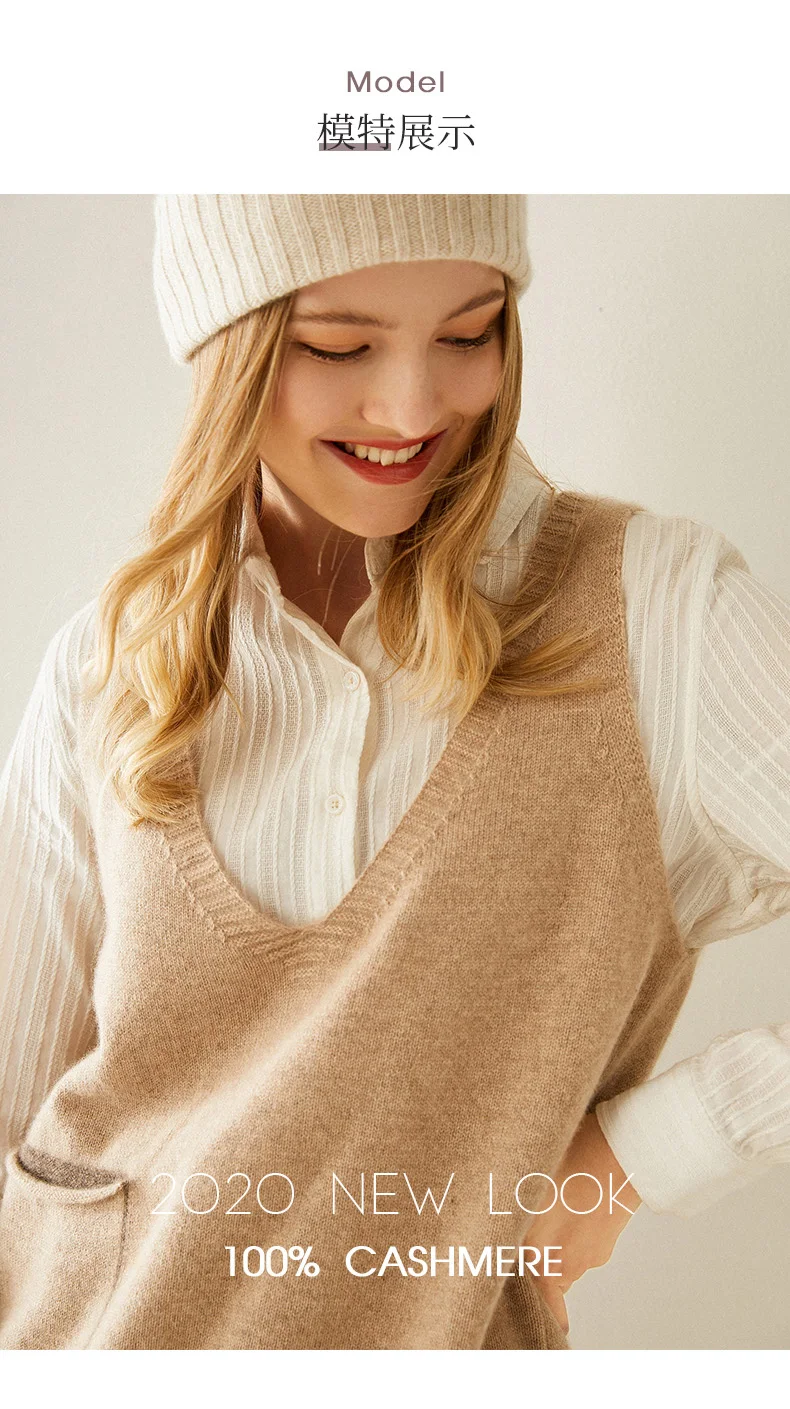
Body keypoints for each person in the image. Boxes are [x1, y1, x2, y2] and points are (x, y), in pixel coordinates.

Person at [0, 194, 787, 1351]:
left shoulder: (654, 620)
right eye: (337, 345)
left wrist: (651, 1147)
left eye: (469, 332)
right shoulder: (110, 664)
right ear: (228, 345)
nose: (415, 406)